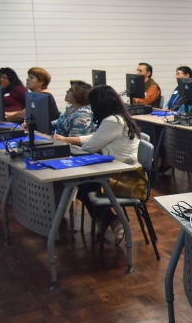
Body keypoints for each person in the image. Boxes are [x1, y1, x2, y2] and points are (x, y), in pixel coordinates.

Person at [55, 85, 142, 245]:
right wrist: (67, 140)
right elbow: (95, 137)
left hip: (128, 180)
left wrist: (68, 146)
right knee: (84, 188)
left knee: (84, 188)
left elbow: (90, 147)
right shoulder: (117, 117)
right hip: (123, 173)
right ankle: (104, 221)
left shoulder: (112, 121)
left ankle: (113, 221)